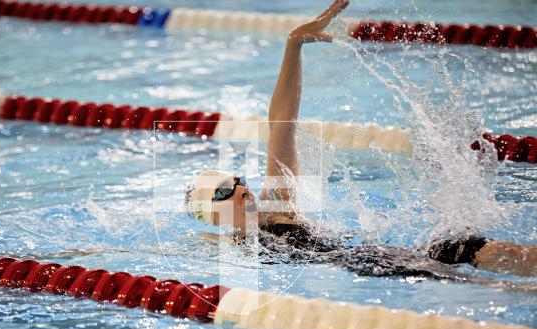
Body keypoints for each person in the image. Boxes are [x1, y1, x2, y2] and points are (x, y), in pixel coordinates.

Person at [184, 0, 536, 281]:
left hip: (384, 260)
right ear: (213, 215)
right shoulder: (226, 245)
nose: (242, 189)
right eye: (224, 192)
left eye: (238, 181)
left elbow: (281, 125)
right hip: (380, 271)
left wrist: (293, 45)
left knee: (459, 249)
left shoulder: (279, 207)